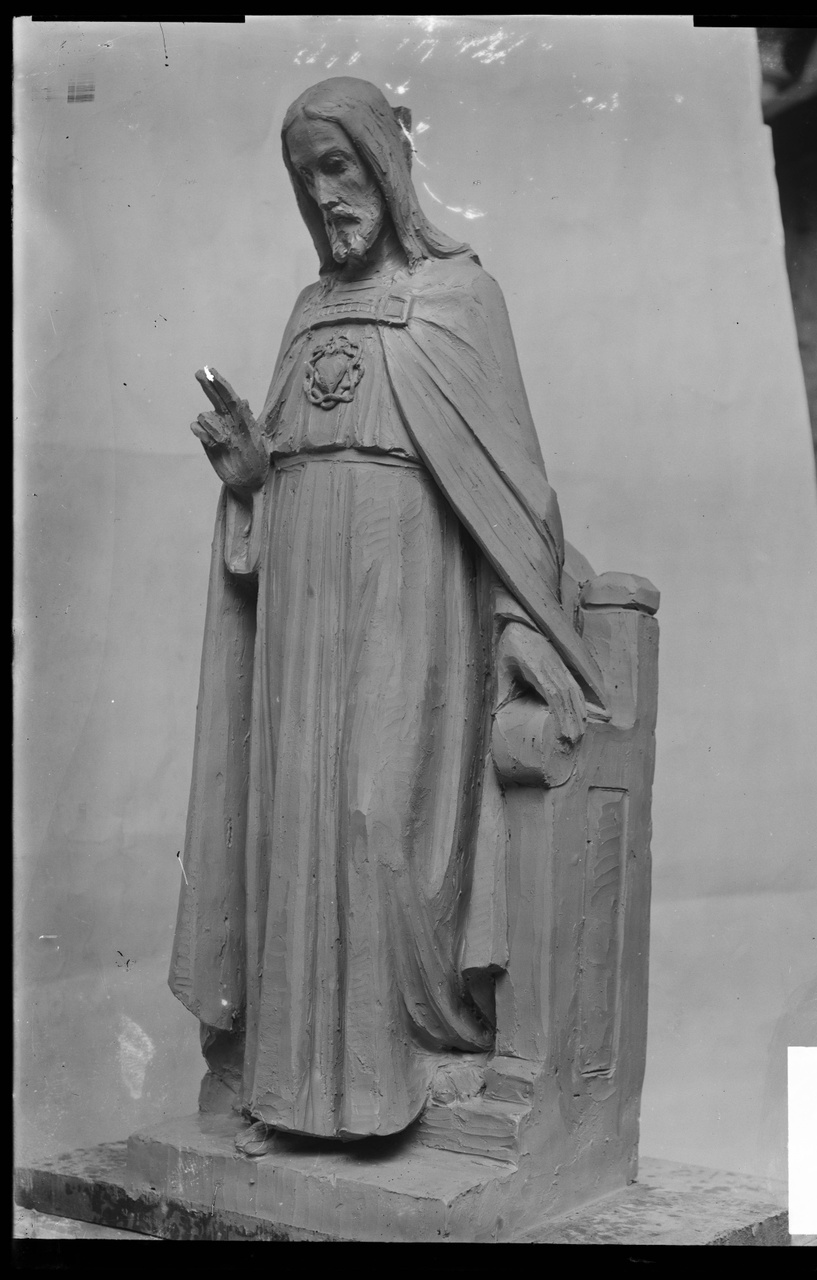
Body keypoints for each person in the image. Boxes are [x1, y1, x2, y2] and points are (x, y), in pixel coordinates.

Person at [169, 77, 607, 1153]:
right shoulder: (309, 307)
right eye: (307, 177)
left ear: (387, 166)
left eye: (341, 168)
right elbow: (267, 487)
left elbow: (514, 489)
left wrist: (520, 622)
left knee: (378, 822)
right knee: (290, 830)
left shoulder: (461, 296)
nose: (327, 197)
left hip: (408, 599)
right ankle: (288, 1094)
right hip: (302, 607)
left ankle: (395, 1077)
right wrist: (248, 479)